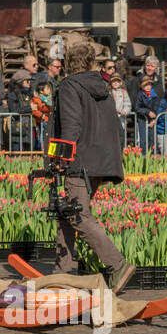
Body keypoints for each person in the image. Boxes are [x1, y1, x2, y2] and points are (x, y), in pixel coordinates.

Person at [52, 41, 134, 292]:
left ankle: (117, 264)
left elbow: (71, 126)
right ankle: (61, 271)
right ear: (91, 63)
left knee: (76, 214)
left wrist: (59, 160)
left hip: (79, 161)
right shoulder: (102, 87)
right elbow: (116, 128)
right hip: (101, 161)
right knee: (66, 212)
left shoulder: (69, 85)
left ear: (68, 62)